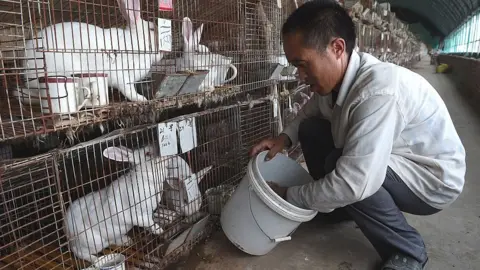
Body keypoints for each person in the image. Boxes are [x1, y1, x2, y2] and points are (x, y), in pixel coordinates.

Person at [249, 1, 466, 270]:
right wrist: (284, 138)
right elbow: (309, 111)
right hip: (398, 161)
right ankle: (338, 210)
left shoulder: (378, 91)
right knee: (311, 129)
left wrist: (290, 195)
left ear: (337, 48)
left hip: (432, 178)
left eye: (303, 64)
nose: (300, 76)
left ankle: (409, 250)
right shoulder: (337, 81)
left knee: (347, 172)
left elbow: (355, 182)